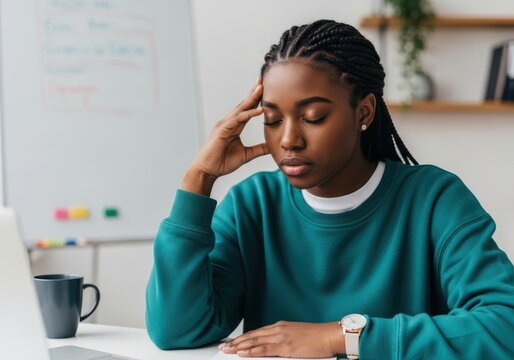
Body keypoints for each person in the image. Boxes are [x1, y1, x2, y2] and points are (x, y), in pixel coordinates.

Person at [145, 19, 514, 359]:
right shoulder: (252, 204)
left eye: (313, 117)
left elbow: (504, 326)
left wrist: (342, 336)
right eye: (272, 120)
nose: (288, 139)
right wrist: (199, 179)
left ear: (364, 113)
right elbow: (175, 330)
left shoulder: (433, 199)